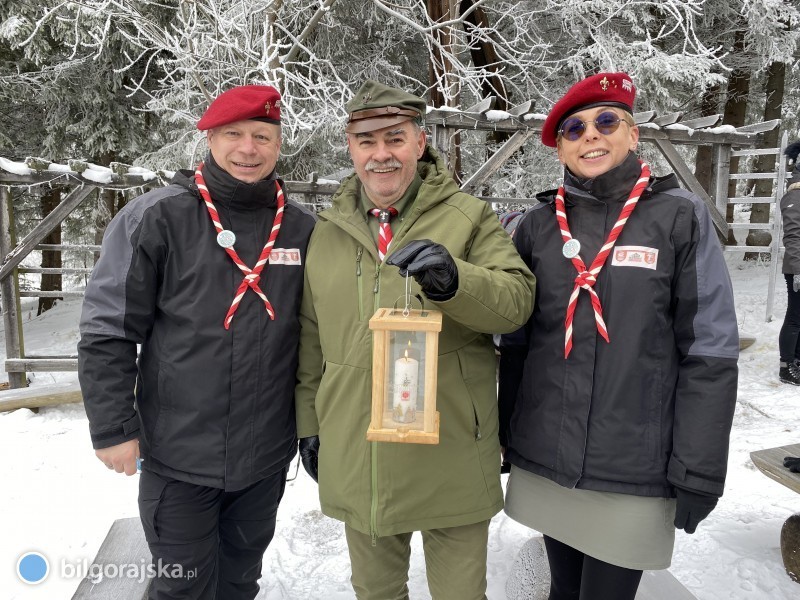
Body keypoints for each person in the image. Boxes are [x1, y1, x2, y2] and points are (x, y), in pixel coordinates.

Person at [498, 72, 739, 600]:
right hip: (548, 456)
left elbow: (710, 351)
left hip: (633, 464)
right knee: (563, 589)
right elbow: (518, 343)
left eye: (607, 121)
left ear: (633, 135)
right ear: (560, 148)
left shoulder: (679, 218)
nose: (591, 134)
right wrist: (506, 434)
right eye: (574, 128)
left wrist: (699, 467)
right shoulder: (538, 226)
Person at [294, 80, 535, 600]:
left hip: (449, 450)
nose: (381, 154)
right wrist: (310, 425)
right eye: (367, 141)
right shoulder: (327, 231)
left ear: (419, 143)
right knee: (376, 593)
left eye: (395, 138)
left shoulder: (470, 218)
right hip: (362, 453)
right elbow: (311, 339)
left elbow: (516, 304)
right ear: (350, 147)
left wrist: (457, 281)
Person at [77, 85, 316, 599]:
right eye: (233, 134)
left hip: (265, 456)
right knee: (181, 587)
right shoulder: (159, 218)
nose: (248, 149)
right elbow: (107, 330)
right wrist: (113, 427)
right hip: (179, 455)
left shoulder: (301, 229)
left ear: (279, 143)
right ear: (209, 138)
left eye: (262, 135)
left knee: (238, 580)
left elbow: (320, 337)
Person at [778, 140, 800, 385]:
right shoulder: (795, 194)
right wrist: (797, 270)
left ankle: (798, 361)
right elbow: (793, 234)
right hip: (797, 267)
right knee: (795, 316)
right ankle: (786, 366)